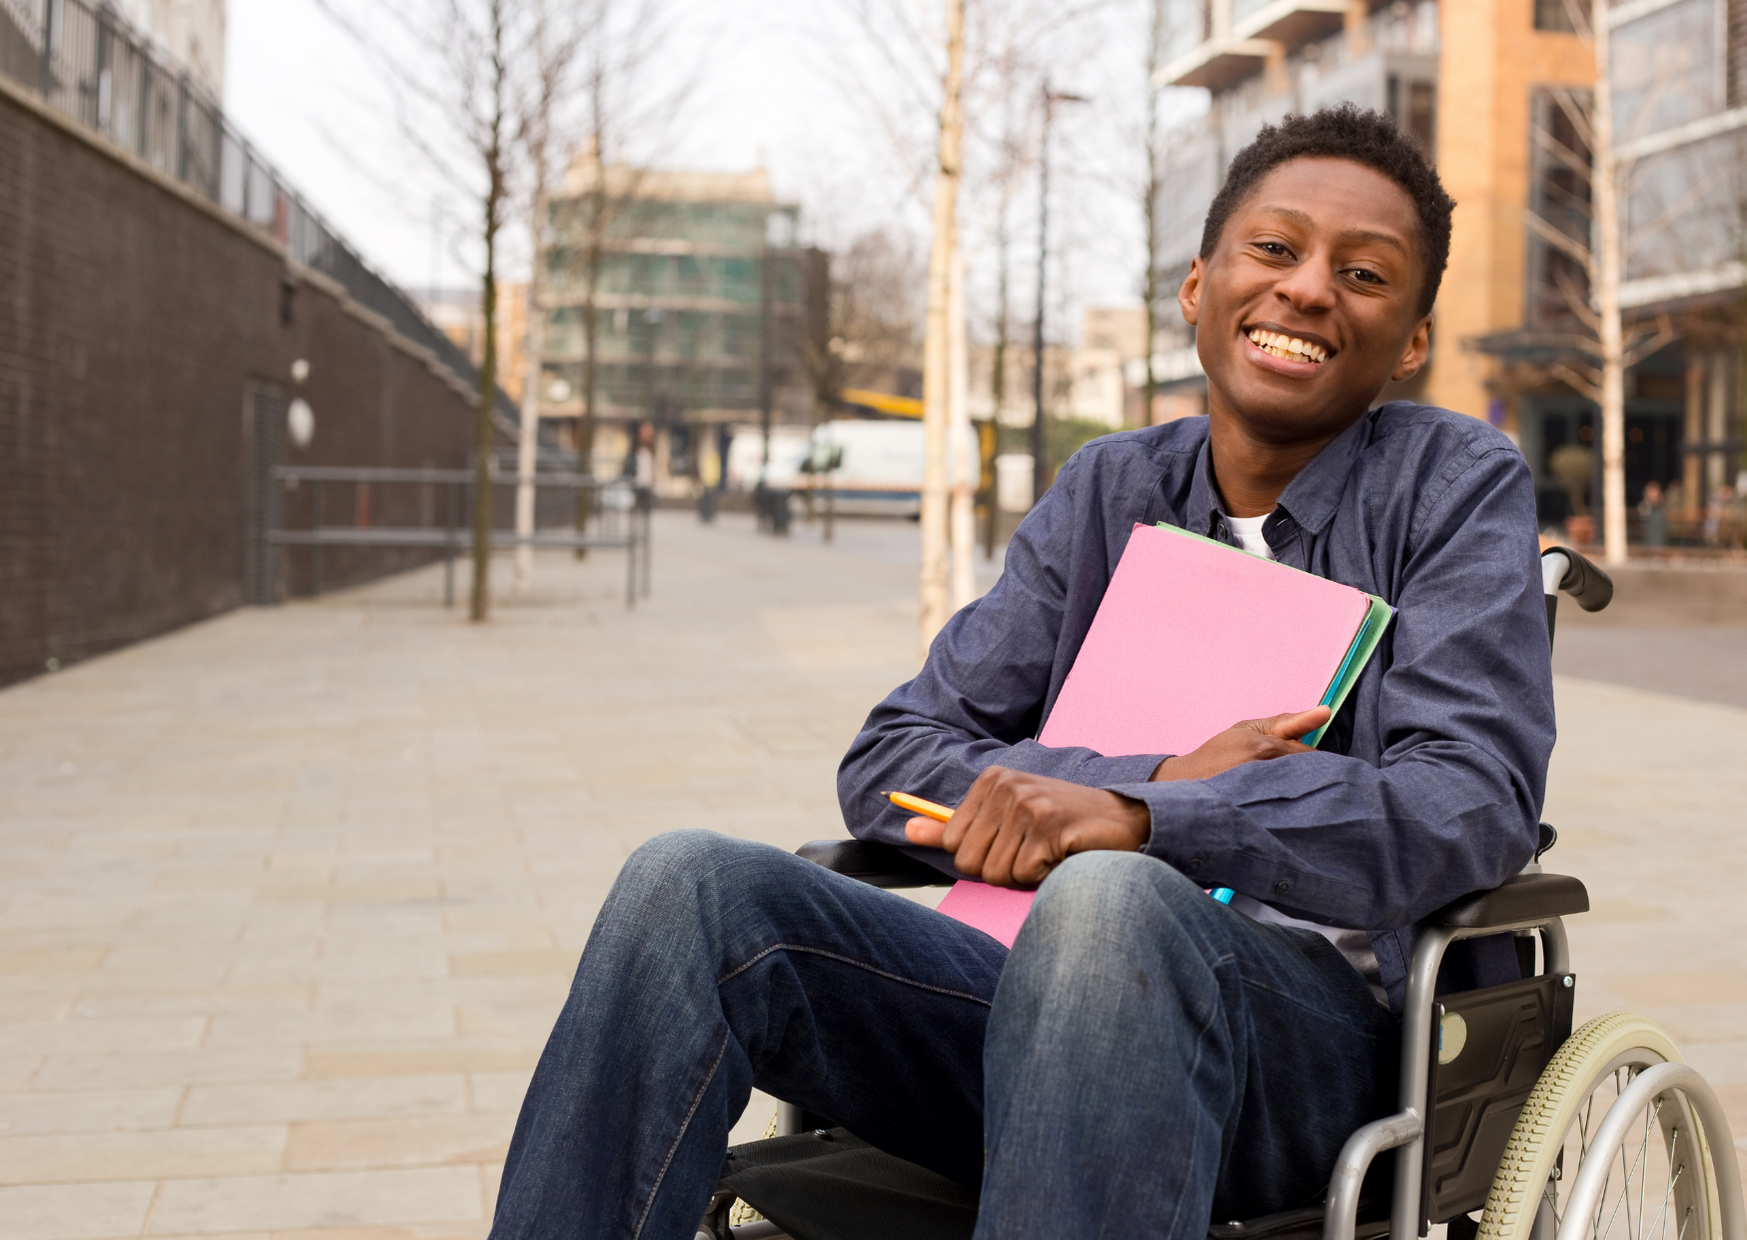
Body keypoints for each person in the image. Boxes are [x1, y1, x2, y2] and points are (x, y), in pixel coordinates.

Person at [488, 106, 1554, 1240]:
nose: (1305, 289)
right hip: (1016, 999)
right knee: (685, 884)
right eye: (1274, 250)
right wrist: (1133, 784)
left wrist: (1152, 823)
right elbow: (895, 753)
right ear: (1198, 287)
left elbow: (1469, 800)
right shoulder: (1107, 490)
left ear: (1411, 342)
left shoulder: (1453, 486)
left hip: (1305, 1049)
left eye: (1363, 272)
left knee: (1109, 901)